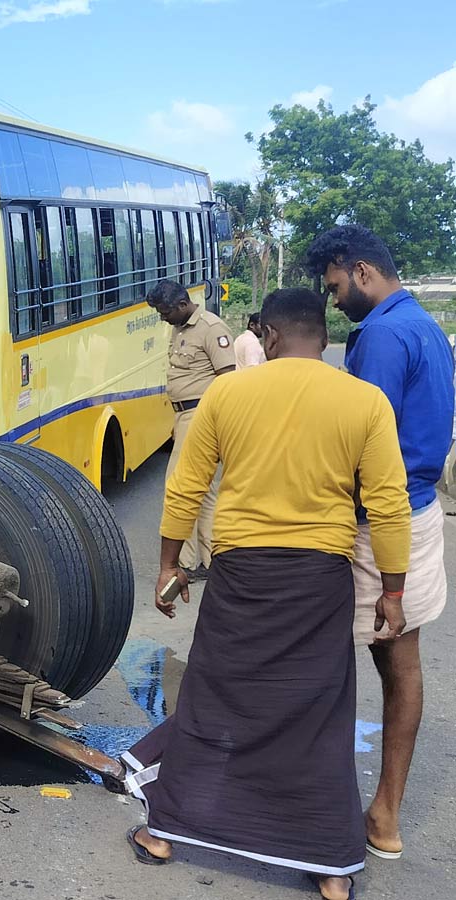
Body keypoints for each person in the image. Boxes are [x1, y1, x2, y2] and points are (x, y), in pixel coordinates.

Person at [122, 287, 409, 900]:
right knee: (320, 715)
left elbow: (186, 488)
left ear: (269, 338)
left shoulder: (227, 393)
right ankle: (332, 868)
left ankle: (165, 834)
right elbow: (387, 504)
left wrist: (169, 564)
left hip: (241, 574)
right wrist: (392, 591)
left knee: (212, 700)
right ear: (324, 338)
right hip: (319, 580)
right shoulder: (366, 401)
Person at [308, 224, 456, 862]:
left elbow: (358, 439)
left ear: (361, 270)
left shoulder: (381, 337)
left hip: (376, 523)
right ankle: (385, 815)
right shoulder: (425, 325)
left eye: (336, 286)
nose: (335, 301)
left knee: (327, 663)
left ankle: (323, 809)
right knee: (403, 665)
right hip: (421, 512)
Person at [147, 279, 235, 581]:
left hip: (201, 415)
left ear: (183, 305)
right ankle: (211, 561)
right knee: (206, 491)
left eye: (166, 312)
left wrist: (214, 423)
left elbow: (227, 379)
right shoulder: (181, 327)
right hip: (185, 416)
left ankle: (184, 562)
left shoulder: (211, 328)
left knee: (179, 487)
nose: (164, 318)